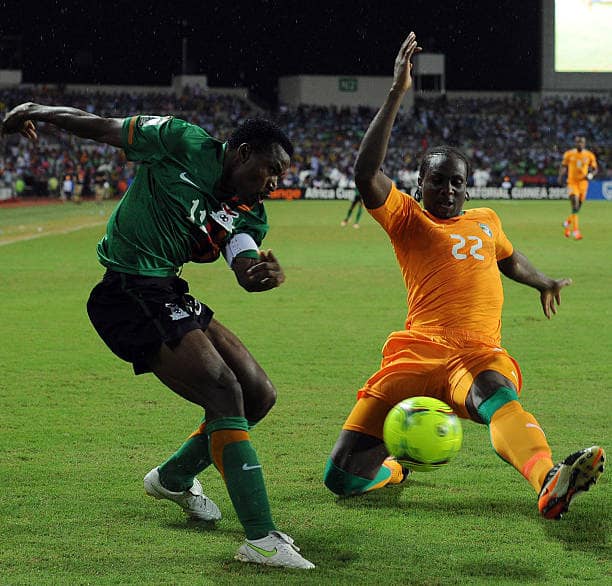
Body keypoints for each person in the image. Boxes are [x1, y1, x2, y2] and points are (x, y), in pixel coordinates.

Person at [1, 103, 314, 570]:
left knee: (257, 395)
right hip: (126, 290)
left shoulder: (248, 212)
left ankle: (173, 478)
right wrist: (38, 111)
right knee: (225, 391)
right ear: (243, 152)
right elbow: (106, 128)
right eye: (273, 170)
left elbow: (244, 268)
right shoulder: (180, 141)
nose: (275, 182)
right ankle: (261, 539)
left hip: (166, 290)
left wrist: (262, 275)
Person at [323, 33, 605, 520]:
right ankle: (394, 470)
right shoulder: (408, 219)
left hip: (474, 352)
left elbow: (508, 258)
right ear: (419, 183)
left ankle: (548, 481)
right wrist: (396, 93)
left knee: (498, 396)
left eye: (457, 181)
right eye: (438, 179)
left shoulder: (486, 220)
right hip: (414, 354)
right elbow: (366, 173)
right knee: (342, 478)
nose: (449, 188)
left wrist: (543, 282)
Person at [558, 135, 598, 240]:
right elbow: (563, 166)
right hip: (572, 182)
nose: (579, 144)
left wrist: (591, 174)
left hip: (583, 184)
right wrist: (560, 176)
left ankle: (567, 223)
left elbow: (595, 168)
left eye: (581, 142)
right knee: (575, 204)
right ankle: (576, 231)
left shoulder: (589, 155)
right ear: (575, 144)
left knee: (577, 208)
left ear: (584, 144)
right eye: (578, 142)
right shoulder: (569, 154)